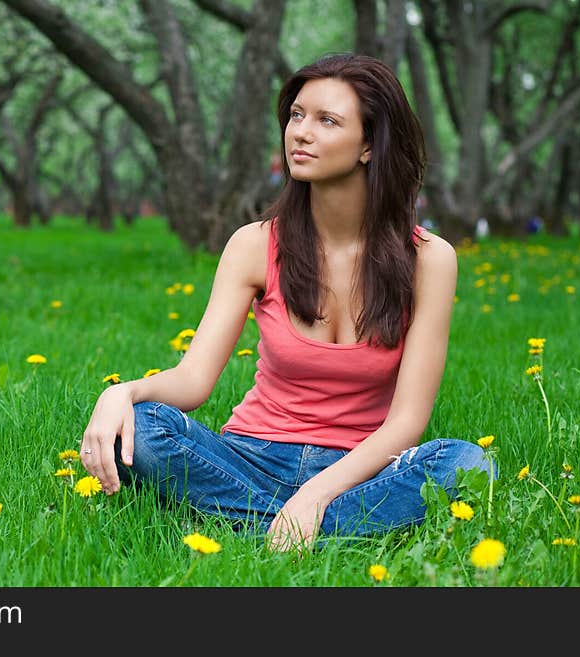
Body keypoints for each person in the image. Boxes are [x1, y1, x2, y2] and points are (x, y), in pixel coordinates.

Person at [79, 53, 492, 552]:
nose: (301, 132)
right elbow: (192, 382)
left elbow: (406, 422)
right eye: (296, 115)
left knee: (468, 464)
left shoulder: (430, 259)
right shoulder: (254, 244)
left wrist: (315, 495)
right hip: (248, 458)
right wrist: (119, 394)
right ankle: (315, 533)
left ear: (368, 145)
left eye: (327, 120)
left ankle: (262, 525)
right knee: (142, 428)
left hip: (360, 471)